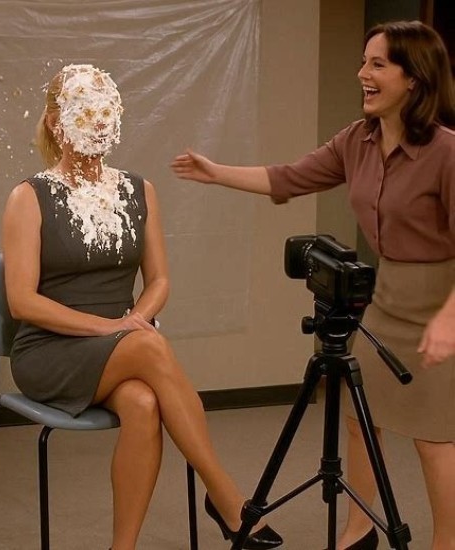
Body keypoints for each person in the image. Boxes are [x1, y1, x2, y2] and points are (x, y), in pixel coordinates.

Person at [171, 20, 455, 550]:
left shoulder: (447, 152)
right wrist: (216, 173)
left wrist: (449, 319)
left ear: (414, 78)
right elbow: (289, 177)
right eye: (363, 61)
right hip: (388, 300)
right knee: (361, 420)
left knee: (434, 438)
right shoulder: (357, 140)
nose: (362, 73)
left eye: (377, 64)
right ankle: (358, 531)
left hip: (443, 303)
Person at [2, 63, 283, 550]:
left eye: (105, 111)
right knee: (149, 347)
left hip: (122, 344)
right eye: (84, 111)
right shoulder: (29, 197)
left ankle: (123, 547)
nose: (97, 121)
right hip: (50, 352)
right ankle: (228, 499)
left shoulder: (138, 190)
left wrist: (132, 320)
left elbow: (160, 280)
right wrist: (109, 328)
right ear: (55, 122)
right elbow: (22, 301)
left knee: (144, 402)